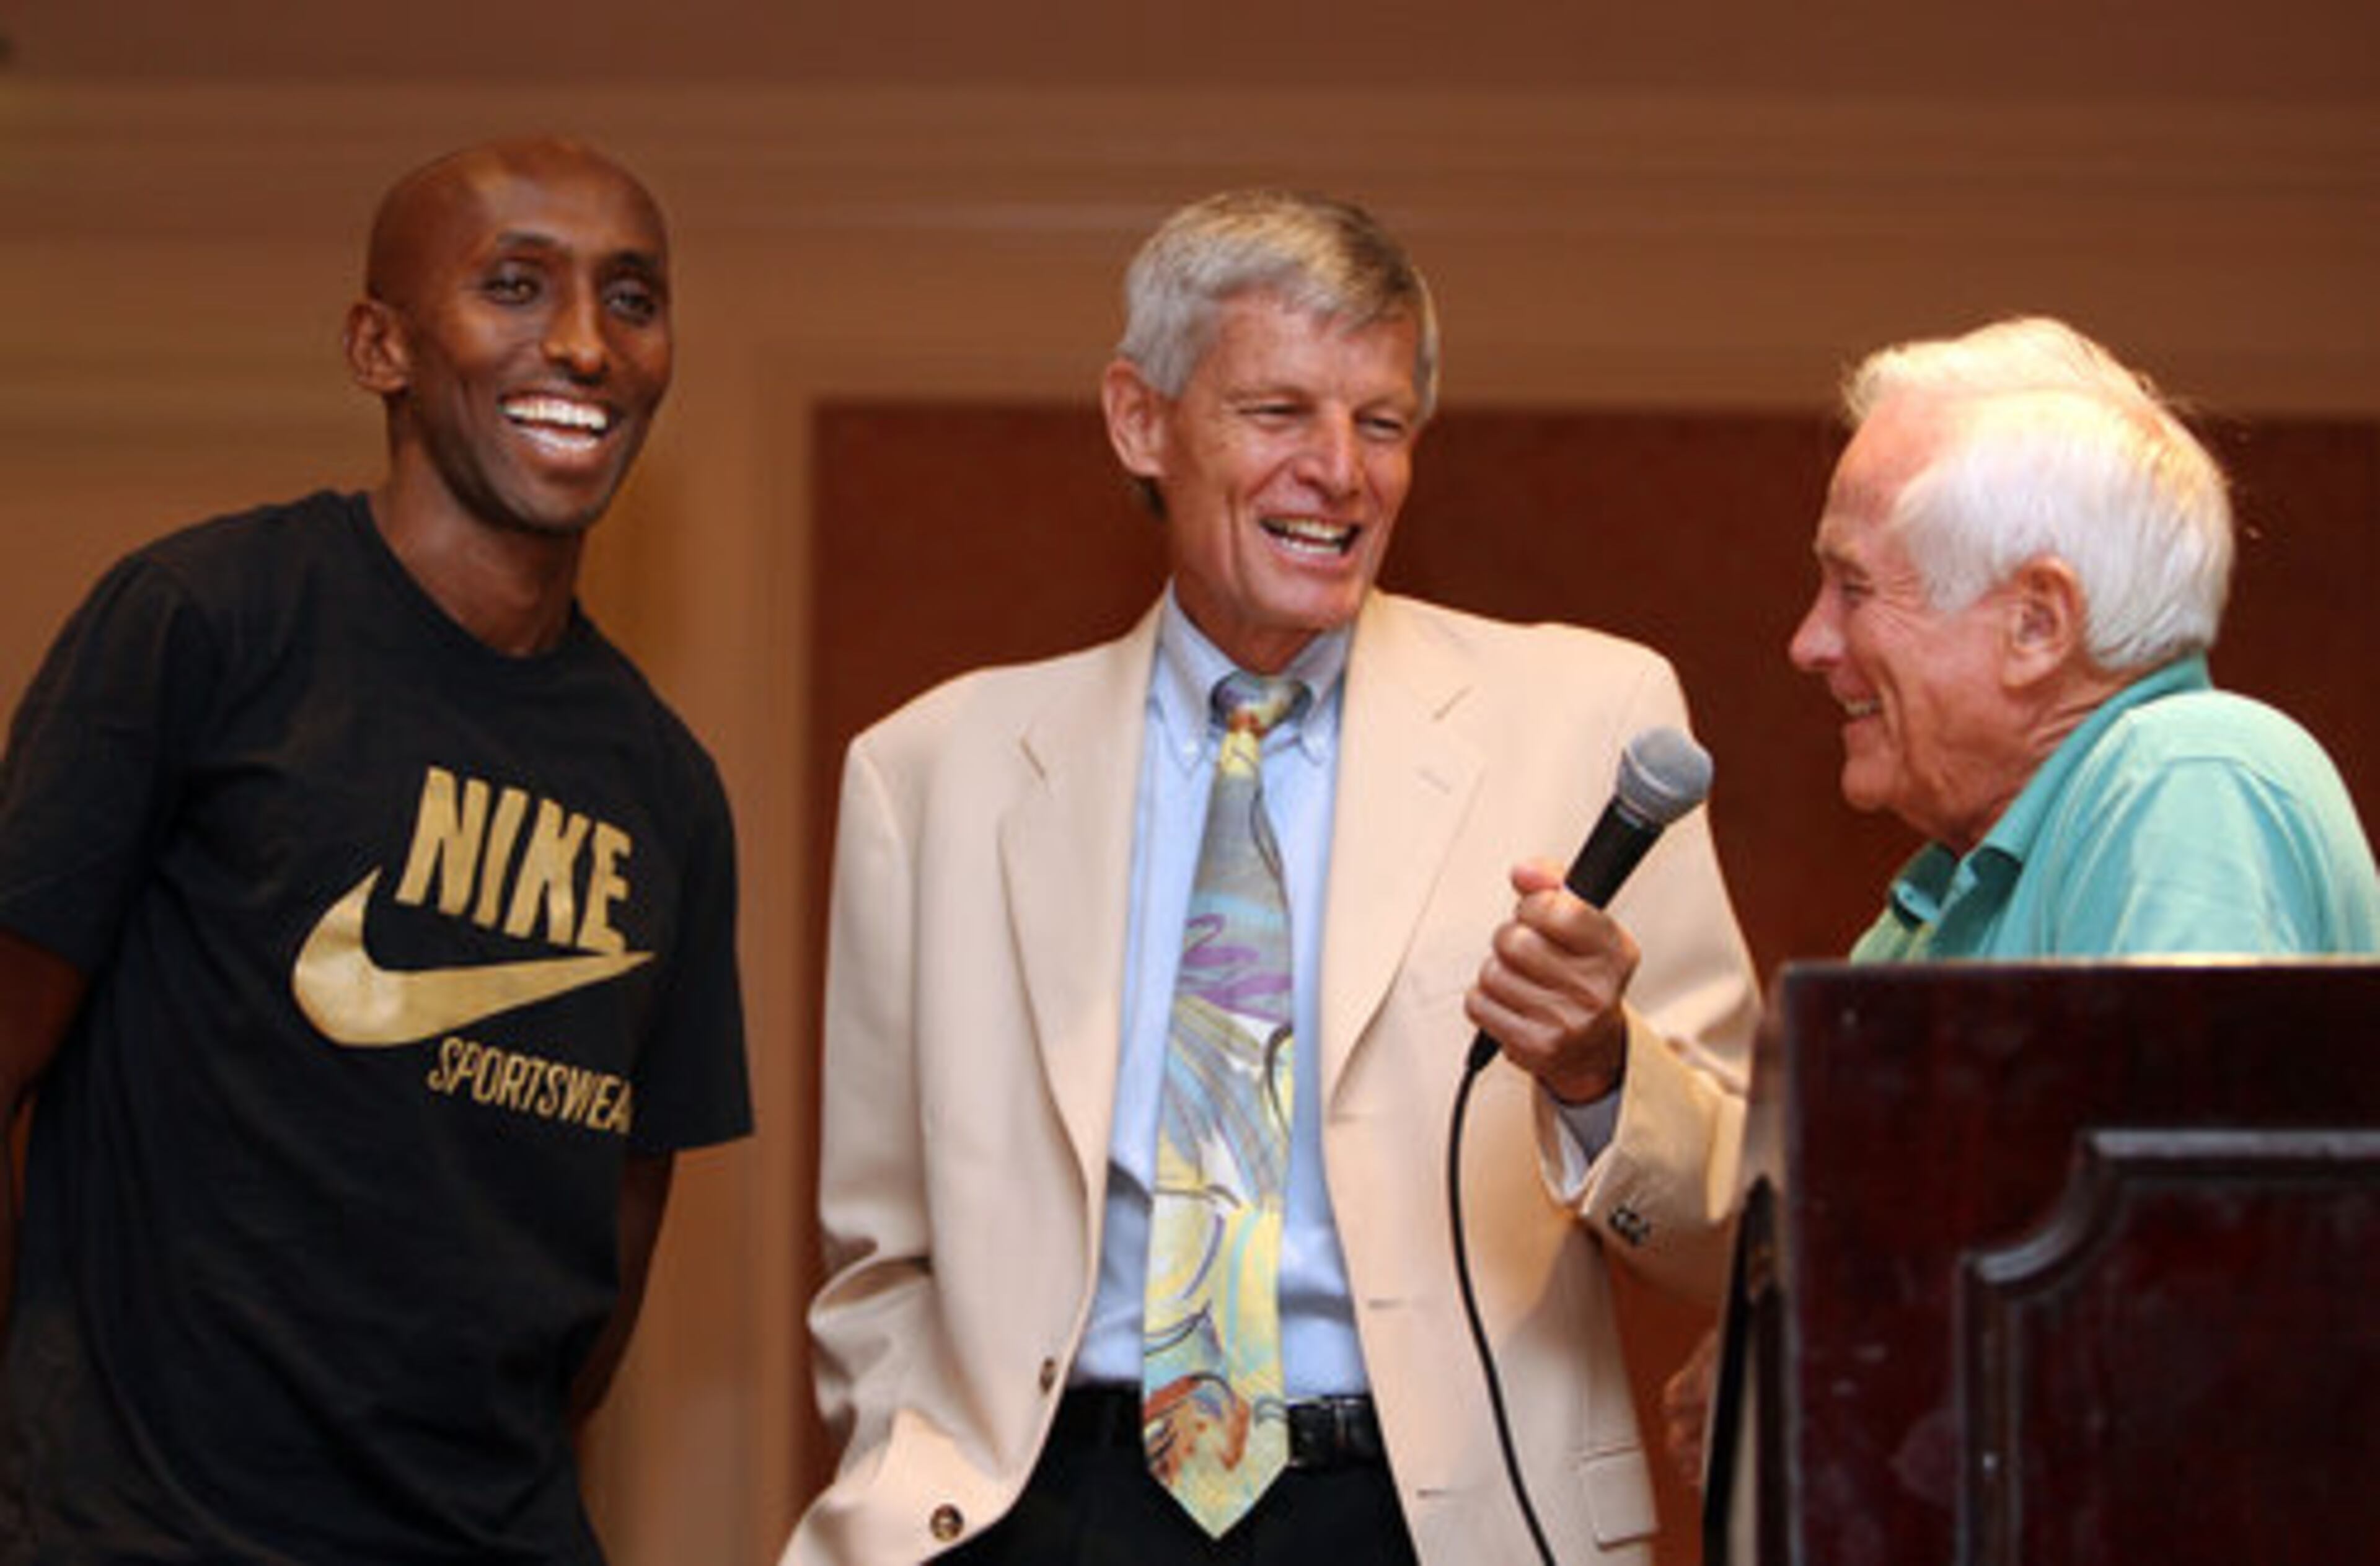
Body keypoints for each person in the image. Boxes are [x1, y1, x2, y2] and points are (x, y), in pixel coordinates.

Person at [787, 189, 1760, 1566]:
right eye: (1279, 412)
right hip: (1053, 1515)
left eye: (1383, 424)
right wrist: (910, 1478)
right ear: (1140, 421)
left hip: (1429, 1522)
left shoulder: (1586, 721)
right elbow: (880, 1258)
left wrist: (1601, 1073)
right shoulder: (933, 773)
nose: (1340, 472)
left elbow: (1736, 1224)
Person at [0, 136, 752, 1564]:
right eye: (516, 285)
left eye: (632, 299)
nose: (584, 344)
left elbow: (613, 1245)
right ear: (379, 346)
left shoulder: (669, 789)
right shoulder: (207, 624)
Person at [1661, 313, 2380, 1495]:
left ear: (2038, 624)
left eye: (1853, 588)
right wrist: (1779, 1360)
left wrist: (1824, 1379)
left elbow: (2182, 1288)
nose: (1808, 643)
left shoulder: (2190, 774)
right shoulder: (1933, 904)